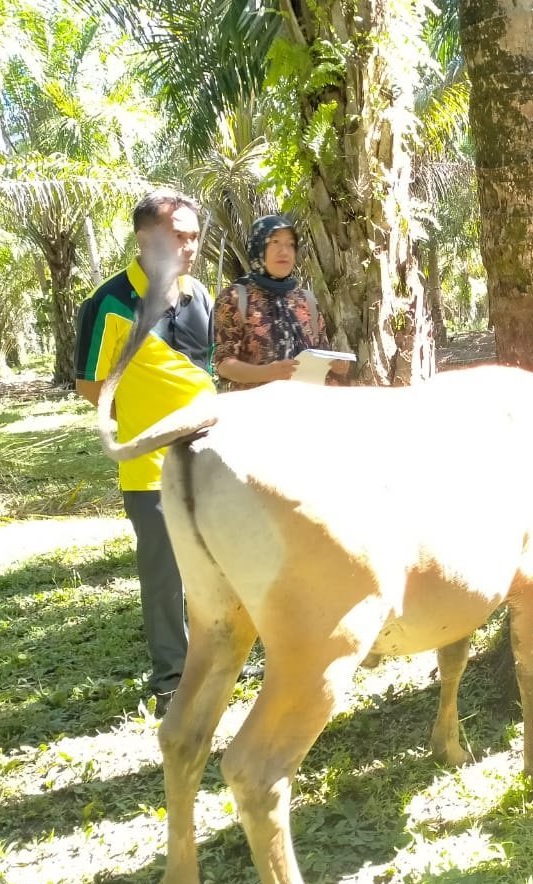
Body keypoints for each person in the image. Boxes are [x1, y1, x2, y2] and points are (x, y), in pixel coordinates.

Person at [74, 189, 215, 713]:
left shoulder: (200, 295)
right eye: (178, 234)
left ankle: (216, 660)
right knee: (164, 578)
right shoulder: (109, 302)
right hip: (148, 466)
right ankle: (172, 680)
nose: (190, 245)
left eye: (194, 235)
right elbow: (90, 385)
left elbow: (205, 369)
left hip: (212, 459)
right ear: (144, 238)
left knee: (217, 564)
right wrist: (143, 417)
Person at [213, 214, 338, 389]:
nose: (284, 251)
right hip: (255, 410)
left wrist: (335, 365)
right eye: (275, 242)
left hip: (306, 407)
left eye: (290, 244)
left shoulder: (306, 300)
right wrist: (268, 372)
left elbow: (321, 352)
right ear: (258, 247)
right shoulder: (235, 298)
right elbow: (224, 364)